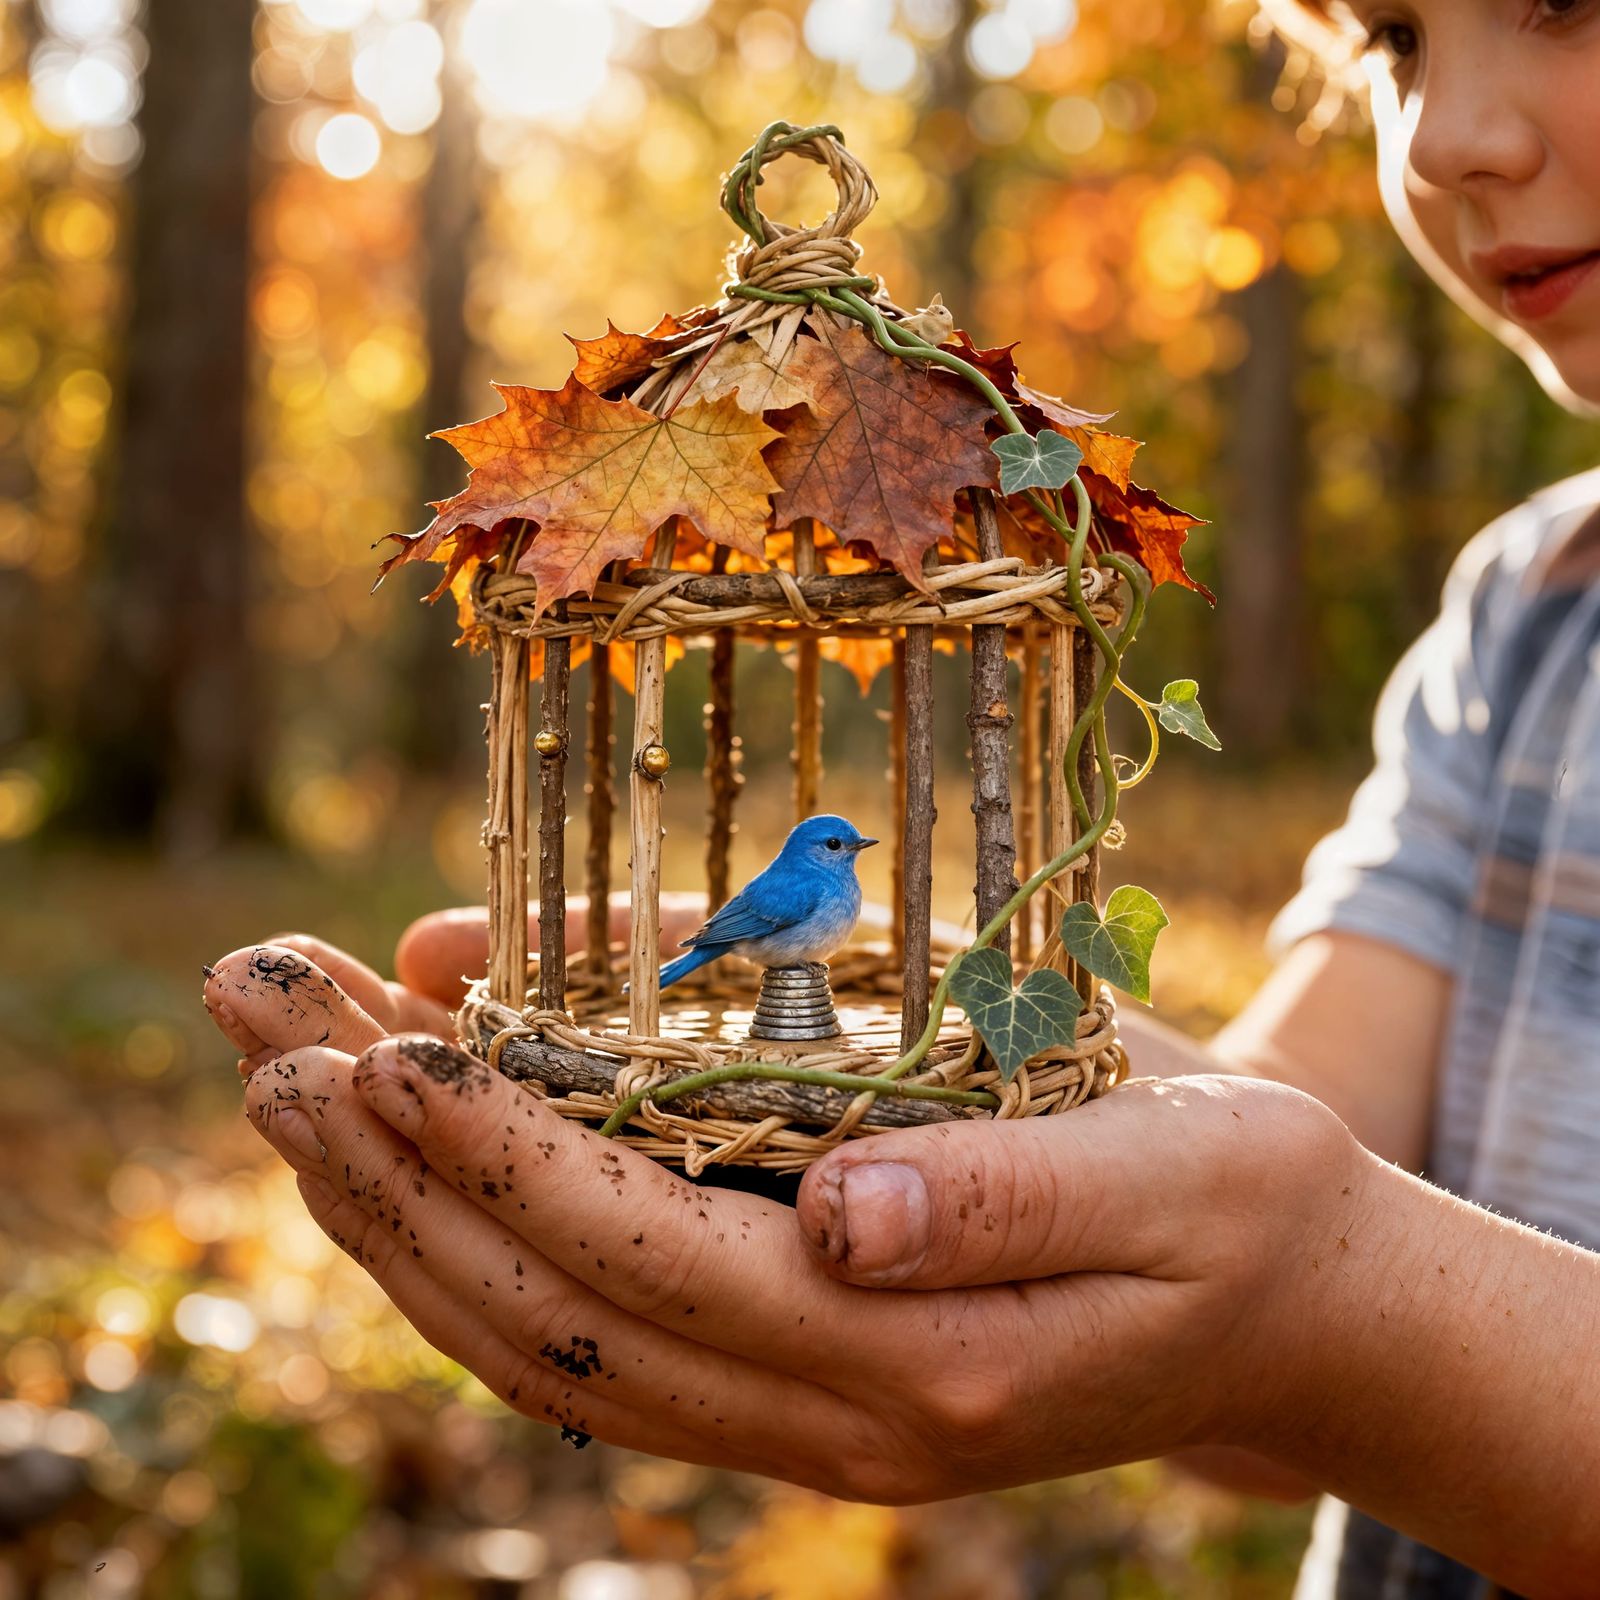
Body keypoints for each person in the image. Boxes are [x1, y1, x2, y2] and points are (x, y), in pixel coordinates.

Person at [203, 0, 1600, 1593]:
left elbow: (1327, 1281)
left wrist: (1327, 1293)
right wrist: (1173, 1257)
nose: (1446, 136)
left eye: (1561, 1)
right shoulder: (1522, 618)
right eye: (1395, 46)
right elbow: (1246, 1390)